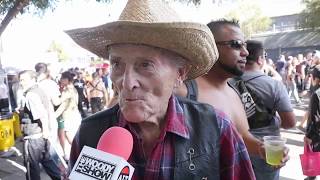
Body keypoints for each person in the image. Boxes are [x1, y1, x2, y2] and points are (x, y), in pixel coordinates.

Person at [66, 0, 256, 179]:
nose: (127, 82)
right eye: (117, 64)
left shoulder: (216, 127)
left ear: (180, 74)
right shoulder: (89, 133)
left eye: (145, 65)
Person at [175, 19, 265, 158]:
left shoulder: (236, 89)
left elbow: (242, 137)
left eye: (244, 45)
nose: (245, 52)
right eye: (236, 45)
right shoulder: (183, 90)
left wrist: (262, 148)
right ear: (210, 47)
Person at [239, 40, 296, 180]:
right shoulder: (274, 85)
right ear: (260, 59)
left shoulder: (226, 82)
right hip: (266, 150)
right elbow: (290, 123)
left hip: (236, 146)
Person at [19, 70, 62, 180]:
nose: (21, 82)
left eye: (23, 80)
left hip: (35, 136)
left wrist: (46, 130)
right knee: (47, 161)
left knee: (32, 167)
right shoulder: (39, 90)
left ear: (33, 79)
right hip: (41, 135)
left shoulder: (31, 94)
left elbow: (41, 114)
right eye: (20, 80)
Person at [54, 71, 82, 160]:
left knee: (71, 139)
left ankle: (80, 156)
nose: (61, 80)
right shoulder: (73, 89)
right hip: (74, 115)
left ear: (67, 79)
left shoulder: (67, 91)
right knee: (72, 138)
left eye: (62, 78)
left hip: (70, 117)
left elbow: (59, 103)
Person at [304, 66, 320, 180]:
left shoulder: (317, 95)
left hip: (317, 135)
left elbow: (315, 119)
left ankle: (312, 176)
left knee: (314, 156)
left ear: (316, 79)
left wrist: (309, 136)